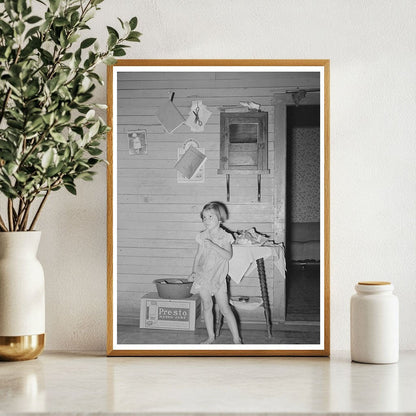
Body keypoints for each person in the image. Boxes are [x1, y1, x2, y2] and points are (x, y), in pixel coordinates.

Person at [188, 201, 242, 344]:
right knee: (207, 305)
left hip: (218, 278)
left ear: (219, 218)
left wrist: (213, 245)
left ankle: (237, 339)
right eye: (204, 217)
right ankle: (211, 336)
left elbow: (228, 256)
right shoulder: (202, 236)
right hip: (203, 276)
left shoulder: (225, 236)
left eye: (210, 217)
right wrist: (193, 271)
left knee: (224, 308)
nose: (206, 220)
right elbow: (198, 255)